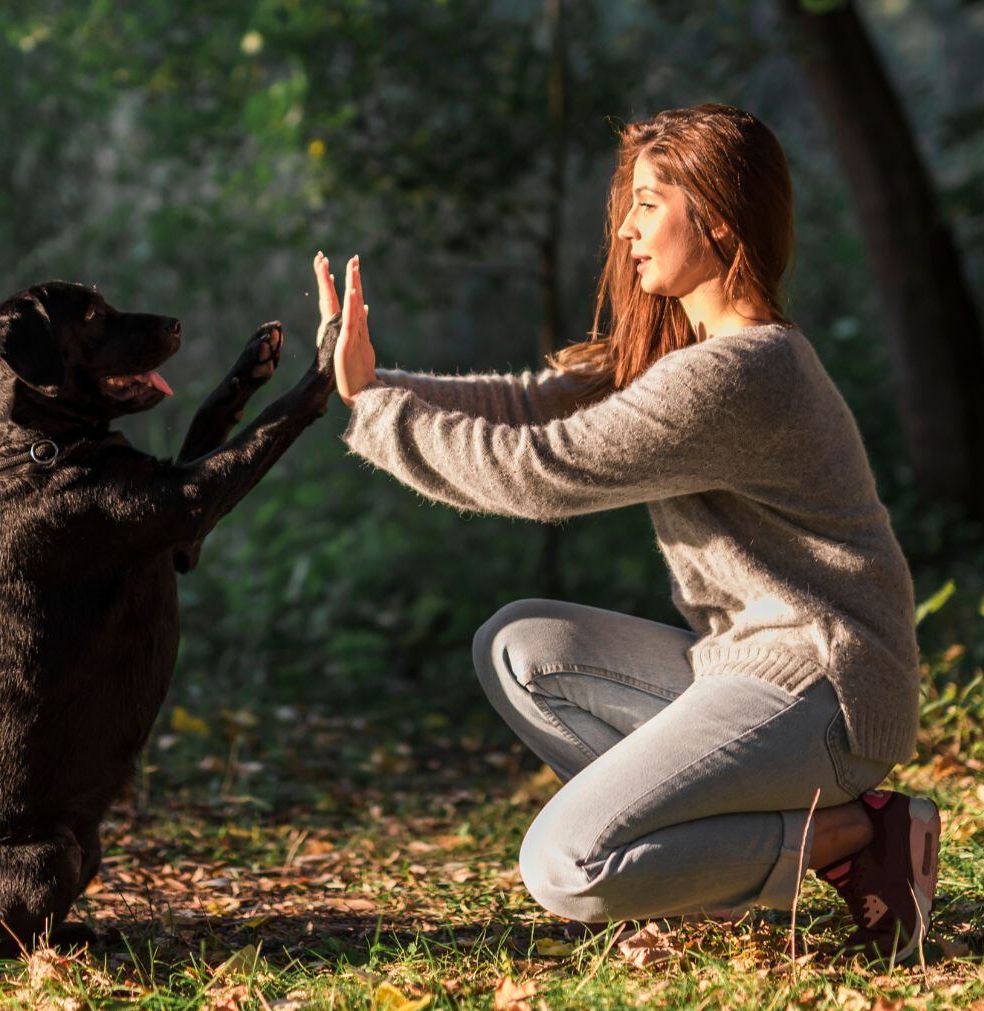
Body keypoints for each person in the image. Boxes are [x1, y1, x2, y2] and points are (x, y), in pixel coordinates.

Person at [311, 103, 939, 963]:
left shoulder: (742, 373)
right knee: (521, 647)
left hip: (828, 693)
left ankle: (850, 836)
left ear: (719, 219)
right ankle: (693, 867)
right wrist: (372, 384)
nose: (625, 231)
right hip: (749, 668)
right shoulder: (693, 355)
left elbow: (540, 468)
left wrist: (377, 411)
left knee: (566, 865)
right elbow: (533, 405)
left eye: (648, 204)